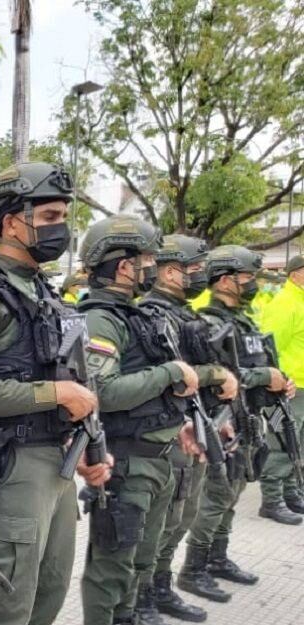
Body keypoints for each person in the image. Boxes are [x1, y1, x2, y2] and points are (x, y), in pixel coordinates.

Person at [0, 162, 112, 625]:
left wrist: (89, 449)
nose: (62, 228)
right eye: (51, 217)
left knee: (47, 597)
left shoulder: (47, 295)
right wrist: (54, 394)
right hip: (11, 469)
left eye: (63, 217)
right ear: (13, 222)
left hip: (56, 466)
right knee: (0, 608)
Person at [76, 215, 204, 625]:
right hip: (128, 462)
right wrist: (171, 373)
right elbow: (104, 393)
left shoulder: (132, 314)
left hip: (158, 457)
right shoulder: (101, 319)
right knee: (112, 568)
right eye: (147, 258)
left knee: (140, 562)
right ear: (125, 266)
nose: (152, 266)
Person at [140, 235, 239, 623]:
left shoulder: (184, 312)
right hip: (171, 431)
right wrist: (215, 374)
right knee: (163, 522)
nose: (202, 275)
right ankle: (144, 594)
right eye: (195, 268)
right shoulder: (153, 313)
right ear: (169, 271)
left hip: (197, 426)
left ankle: (161, 586)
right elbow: (170, 375)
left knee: (183, 516)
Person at [180, 246, 286, 598]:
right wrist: (263, 376)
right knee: (216, 495)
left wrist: (276, 380)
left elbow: (253, 362)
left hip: (248, 417)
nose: (253, 284)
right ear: (225, 281)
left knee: (234, 490)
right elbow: (221, 375)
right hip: (221, 420)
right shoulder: (207, 323)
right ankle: (193, 569)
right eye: (248, 278)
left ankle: (217, 558)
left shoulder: (243, 320)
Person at [258, 254, 304, 517]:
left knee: (297, 444)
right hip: (287, 387)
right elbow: (271, 347)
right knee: (282, 442)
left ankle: (291, 492)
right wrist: (278, 380)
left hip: (303, 387)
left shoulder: (300, 301)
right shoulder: (284, 303)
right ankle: (272, 501)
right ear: (295, 274)